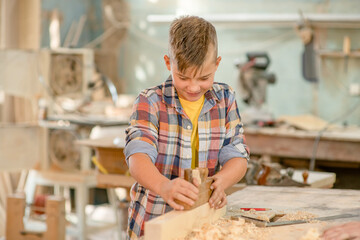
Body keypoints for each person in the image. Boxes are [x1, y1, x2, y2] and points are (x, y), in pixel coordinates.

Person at [124, 15, 249, 239]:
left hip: (203, 224)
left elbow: (237, 155)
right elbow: (138, 158)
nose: (193, 87)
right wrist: (164, 186)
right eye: (183, 77)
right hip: (154, 221)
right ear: (168, 63)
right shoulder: (150, 101)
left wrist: (223, 180)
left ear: (217, 64)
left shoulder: (225, 99)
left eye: (204, 77)